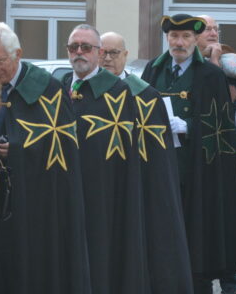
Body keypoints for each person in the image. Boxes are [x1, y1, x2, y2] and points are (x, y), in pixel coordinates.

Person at [0, 23, 91, 294]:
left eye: (0, 61)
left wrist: (18, 148)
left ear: (18, 54)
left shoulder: (47, 87)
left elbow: (63, 143)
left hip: (36, 198)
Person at [141, 14, 236, 294]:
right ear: (167, 39)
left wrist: (188, 126)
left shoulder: (210, 75)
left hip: (197, 169)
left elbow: (222, 126)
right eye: (174, 37)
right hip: (161, 167)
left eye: (186, 36)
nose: (179, 42)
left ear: (195, 39)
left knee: (196, 234)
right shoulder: (153, 69)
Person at [98, 31, 193, 293]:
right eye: (103, 52)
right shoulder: (86, 94)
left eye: (114, 53)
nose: (107, 59)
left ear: (126, 56)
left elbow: (159, 152)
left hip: (139, 184)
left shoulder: (144, 94)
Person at [61, 24, 146, 294]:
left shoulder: (117, 91)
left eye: (86, 47)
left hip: (102, 188)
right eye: (73, 47)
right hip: (63, 186)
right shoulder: (60, 86)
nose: (79, 53)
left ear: (98, 53)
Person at [197, 16, 236, 294]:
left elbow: (228, 99)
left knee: (225, 220)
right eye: (207, 29)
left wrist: (215, 61)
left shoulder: (227, 62)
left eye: (216, 29)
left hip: (223, 152)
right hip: (197, 156)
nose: (213, 33)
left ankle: (229, 283)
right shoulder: (187, 66)